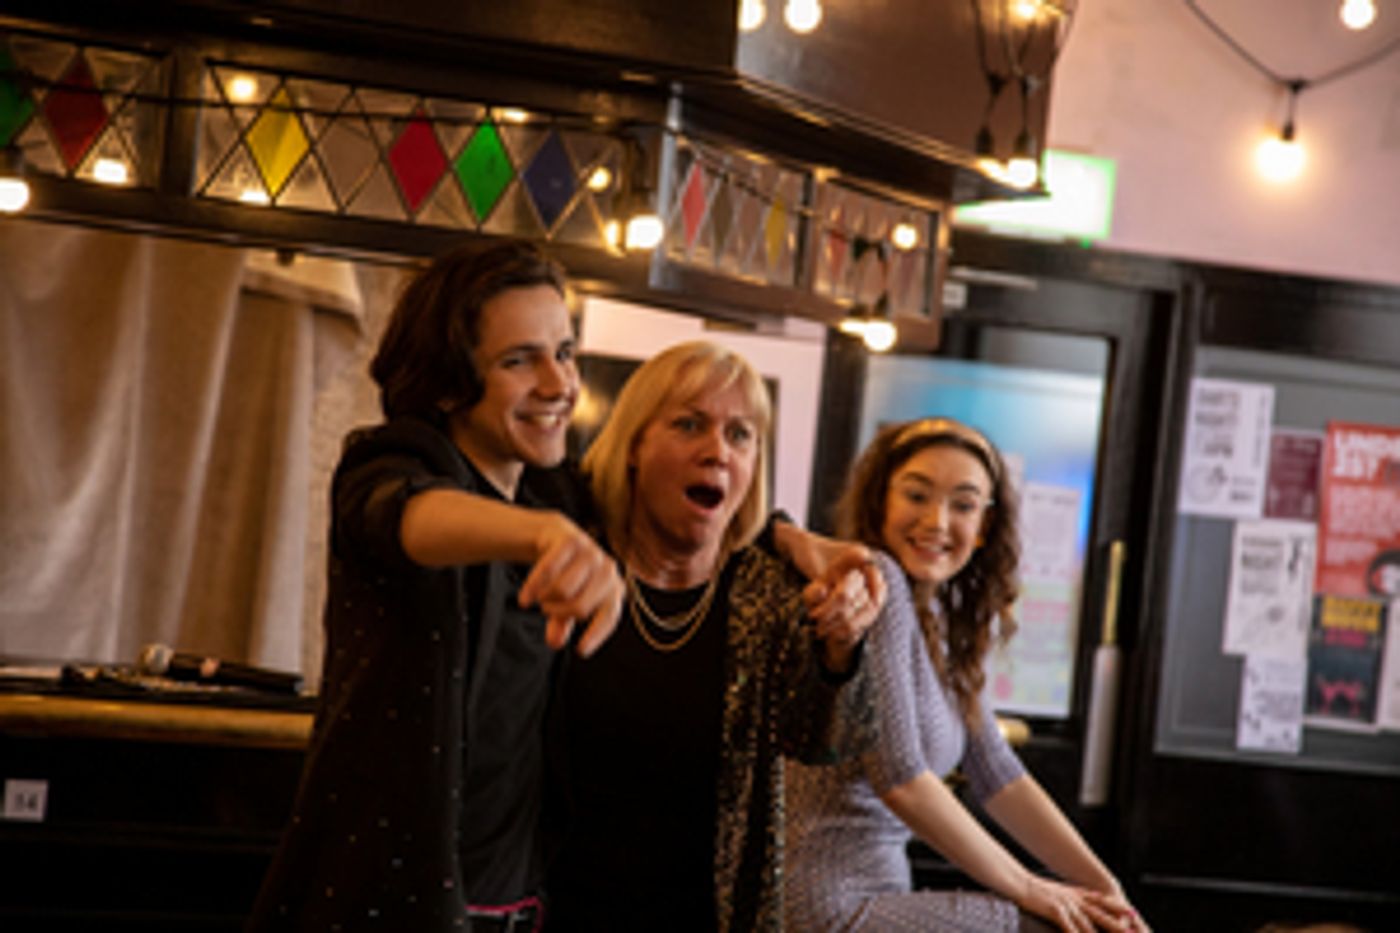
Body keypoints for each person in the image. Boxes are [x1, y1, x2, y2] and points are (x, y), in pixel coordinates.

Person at [248, 240, 626, 932]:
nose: (558, 383)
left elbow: (681, 506)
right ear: (451, 382)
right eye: (520, 360)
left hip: (522, 910)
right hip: (388, 909)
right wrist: (537, 535)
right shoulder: (390, 460)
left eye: (564, 352)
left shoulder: (558, 494)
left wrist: (789, 535)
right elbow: (408, 514)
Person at [543, 341, 880, 932]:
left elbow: (825, 742)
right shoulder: (572, 555)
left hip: (706, 917)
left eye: (740, 435)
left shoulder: (767, 587)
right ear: (634, 447)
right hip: (555, 908)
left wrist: (839, 650)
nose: (717, 452)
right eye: (689, 424)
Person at [784, 418, 1148, 933]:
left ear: (984, 527)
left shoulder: (940, 619)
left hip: (876, 896)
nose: (937, 521)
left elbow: (996, 772)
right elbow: (901, 780)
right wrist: (1034, 889)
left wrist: (1109, 891)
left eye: (963, 503)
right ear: (878, 502)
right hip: (824, 906)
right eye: (916, 494)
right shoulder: (876, 584)